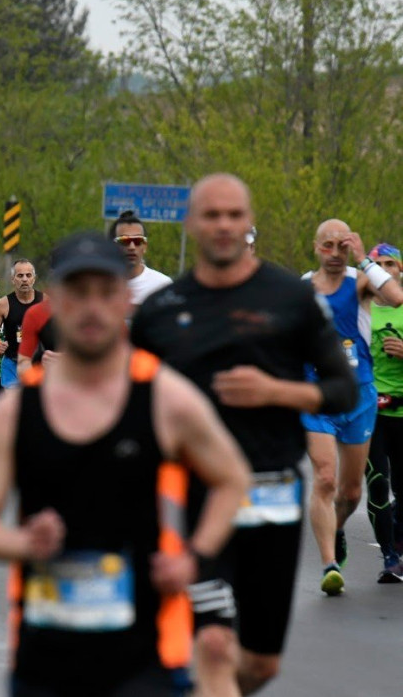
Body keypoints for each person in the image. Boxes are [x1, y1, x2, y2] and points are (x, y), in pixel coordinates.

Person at [0, 231, 250, 697]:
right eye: (78, 292)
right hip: (45, 656)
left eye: (106, 292)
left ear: (124, 301)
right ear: (57, 303)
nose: (92, 306)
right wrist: (22, 543)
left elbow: (232, 479)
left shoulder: (164, 397)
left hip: (146, 656)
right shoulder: (21, 409)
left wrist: (194, 558)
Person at [132, 174, 357, 695]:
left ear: (249, 222)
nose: (224, 225)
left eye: (235, 215)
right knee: (212, 645)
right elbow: (132, 408)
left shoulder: (290, 298)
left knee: (258, 665)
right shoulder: (162, 312)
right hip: (194, 501)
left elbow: (343, 388)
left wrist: (277, 392)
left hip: (272, 499)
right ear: (192, 223)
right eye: (211, 215)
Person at [300, 219, 403, 593]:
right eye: (327, 246)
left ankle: (337, 527)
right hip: (317, 394)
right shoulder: (302, 289)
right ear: (315, 247)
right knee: (325, 478)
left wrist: (364, 260)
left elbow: (395, 297)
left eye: (340, 246)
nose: (333, 253)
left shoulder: (359, 283)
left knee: (351, 493)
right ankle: (330, 564)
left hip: (359, 395)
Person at [365, 243, 403, 582]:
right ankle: (390, 557)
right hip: (371, 412)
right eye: (377, 264)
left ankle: (397, 536)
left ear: (400, 270)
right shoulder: (361, 309)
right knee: (377, 482)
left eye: (390, 263)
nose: (385, 270)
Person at [0, 260, 44, 389]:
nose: (24, 279)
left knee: (34, 407)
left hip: (36, 365)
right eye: (20, 276)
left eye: (28, 275)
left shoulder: (45, 301)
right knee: (13, 406)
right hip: (12, 364)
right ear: (13, 279)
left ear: (34, 279)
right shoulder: (3, 304)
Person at [110, 210, 173, 307]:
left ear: (145, 246)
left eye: (138, 241)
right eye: (124, 241)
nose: (131, 247)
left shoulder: (163, 286)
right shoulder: (101, 285)